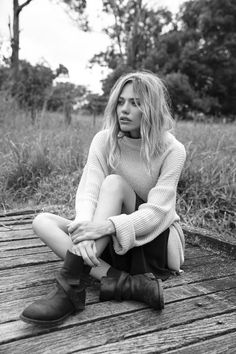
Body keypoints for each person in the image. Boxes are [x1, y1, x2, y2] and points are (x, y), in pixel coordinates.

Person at [20, 71, 186, 325]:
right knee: (42, 221)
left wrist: (105, 226)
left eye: (135, 103)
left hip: (157, 241)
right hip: (114, 239)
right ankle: (127, 283)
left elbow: (157, 212)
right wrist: (86, 227)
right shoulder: (104, 140)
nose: (124, 110)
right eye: (121, 102)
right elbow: (88, 189)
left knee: (114, 184)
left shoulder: (173, 150)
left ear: (151, 108)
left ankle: (71, 284)